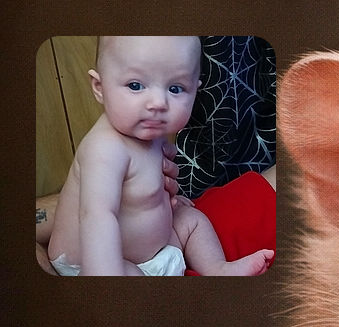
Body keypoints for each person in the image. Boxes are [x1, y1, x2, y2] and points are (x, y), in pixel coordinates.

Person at [46, 36, 273, 277]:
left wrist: (162, 204)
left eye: (175, 89)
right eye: (135, 85)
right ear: (99, 88)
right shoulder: (104, 149)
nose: (158, 103)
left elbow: (142, 190)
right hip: (93, 262)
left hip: (149, 250)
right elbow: (97, 217)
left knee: (192, 220)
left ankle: (218, 268)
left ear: (195, 90)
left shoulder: (148, 131)